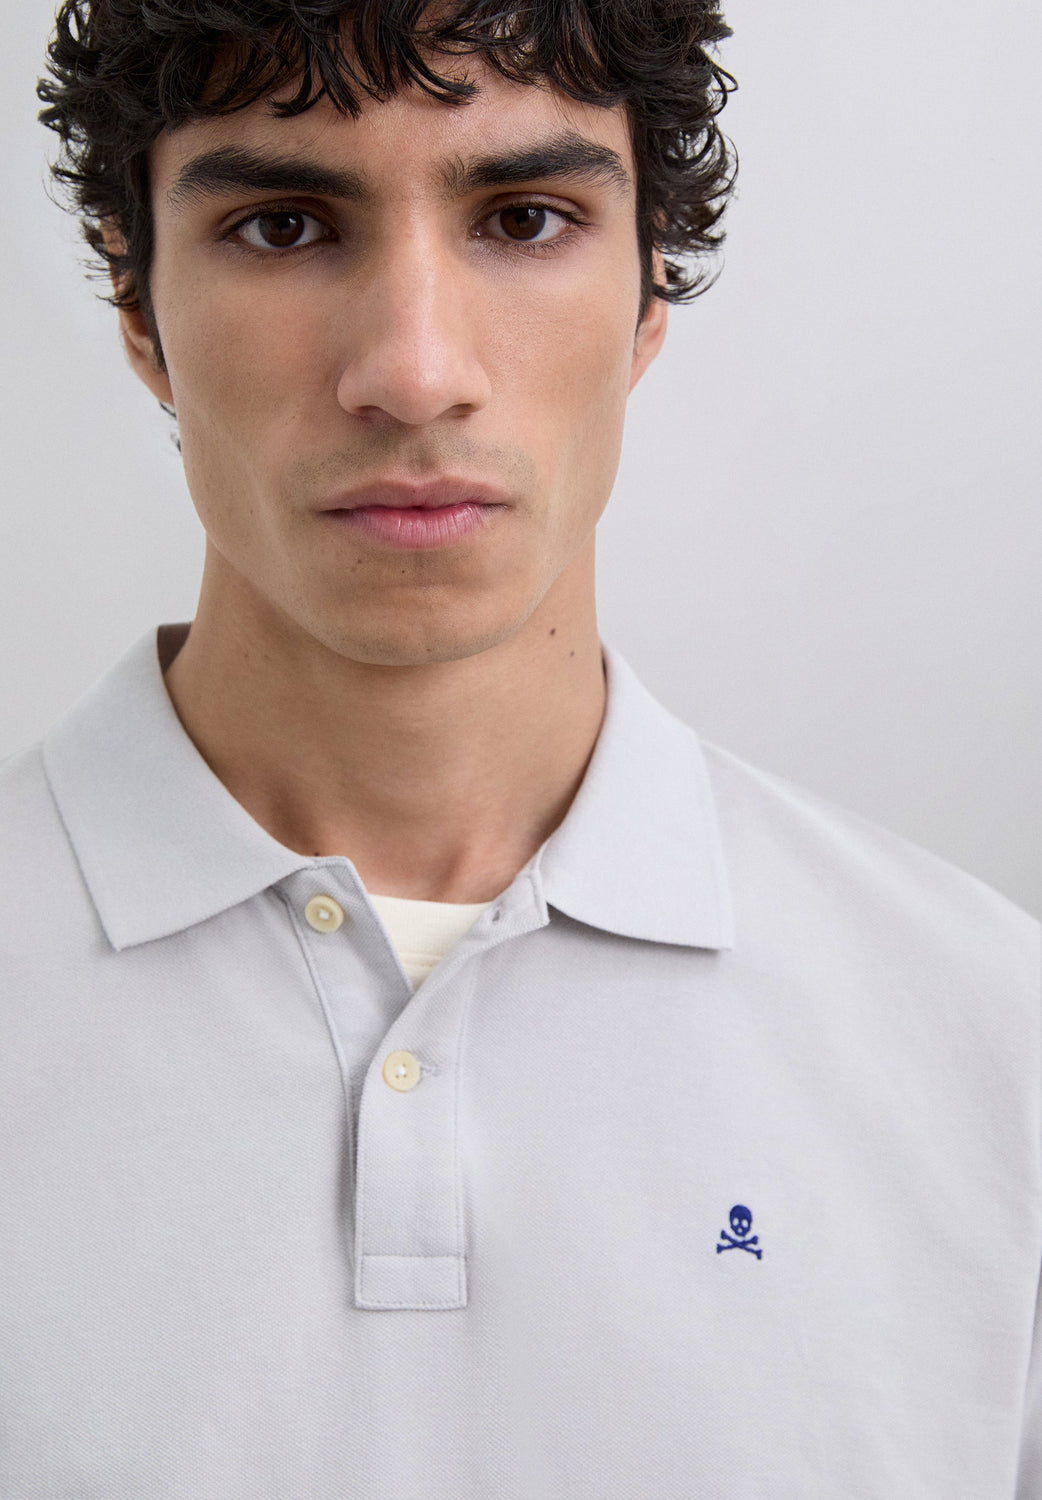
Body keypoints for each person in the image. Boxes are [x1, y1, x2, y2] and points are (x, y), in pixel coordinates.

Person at [0, 0, 1037, 1494]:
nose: (414, 371)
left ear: (650, 291)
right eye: (285, 227)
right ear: (135, 304)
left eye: (525, 218)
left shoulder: (992, 1044)